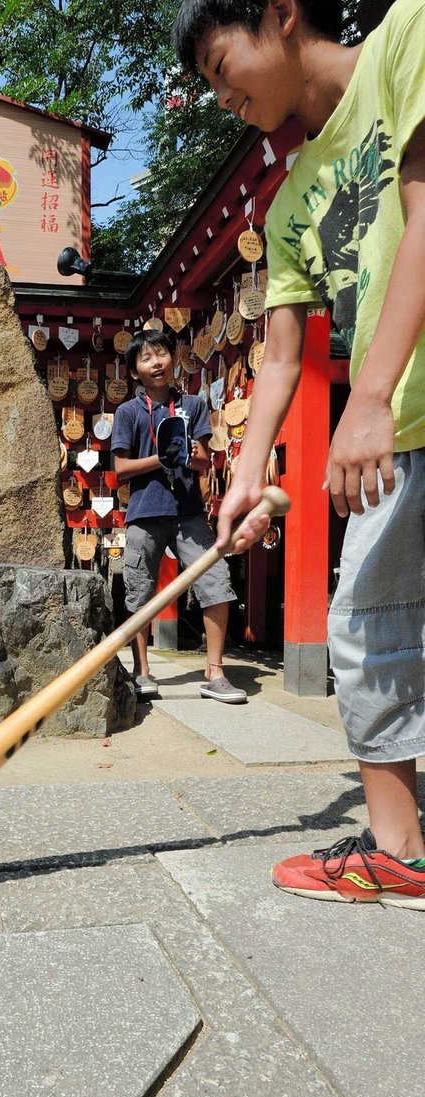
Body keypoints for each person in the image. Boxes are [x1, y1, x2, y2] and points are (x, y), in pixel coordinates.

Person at [173, 0, 425, 905]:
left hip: (387, 417)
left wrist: (365, 397)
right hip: (399, 430)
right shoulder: (288, 201)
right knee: (368, 622)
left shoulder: (408, 38)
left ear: (280, 15)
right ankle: (400, 847)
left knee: (366, 621)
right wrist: (245, 478)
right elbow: (281, 357)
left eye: (218, 65)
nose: (218, 95)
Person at [112, 327, 246, 704]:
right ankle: (142, 671)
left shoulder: (194, 404)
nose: (155, 363)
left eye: (161, 355)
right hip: (144, 512)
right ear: (135, 370)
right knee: (140, 591)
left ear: (173, 358)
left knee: (217, 580)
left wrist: (186, 454)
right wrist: (161, 458)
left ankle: (215, 673)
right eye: (145, 358)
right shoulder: (127, 412)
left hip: (188, 511)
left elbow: (204, 460)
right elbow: (120, 468)